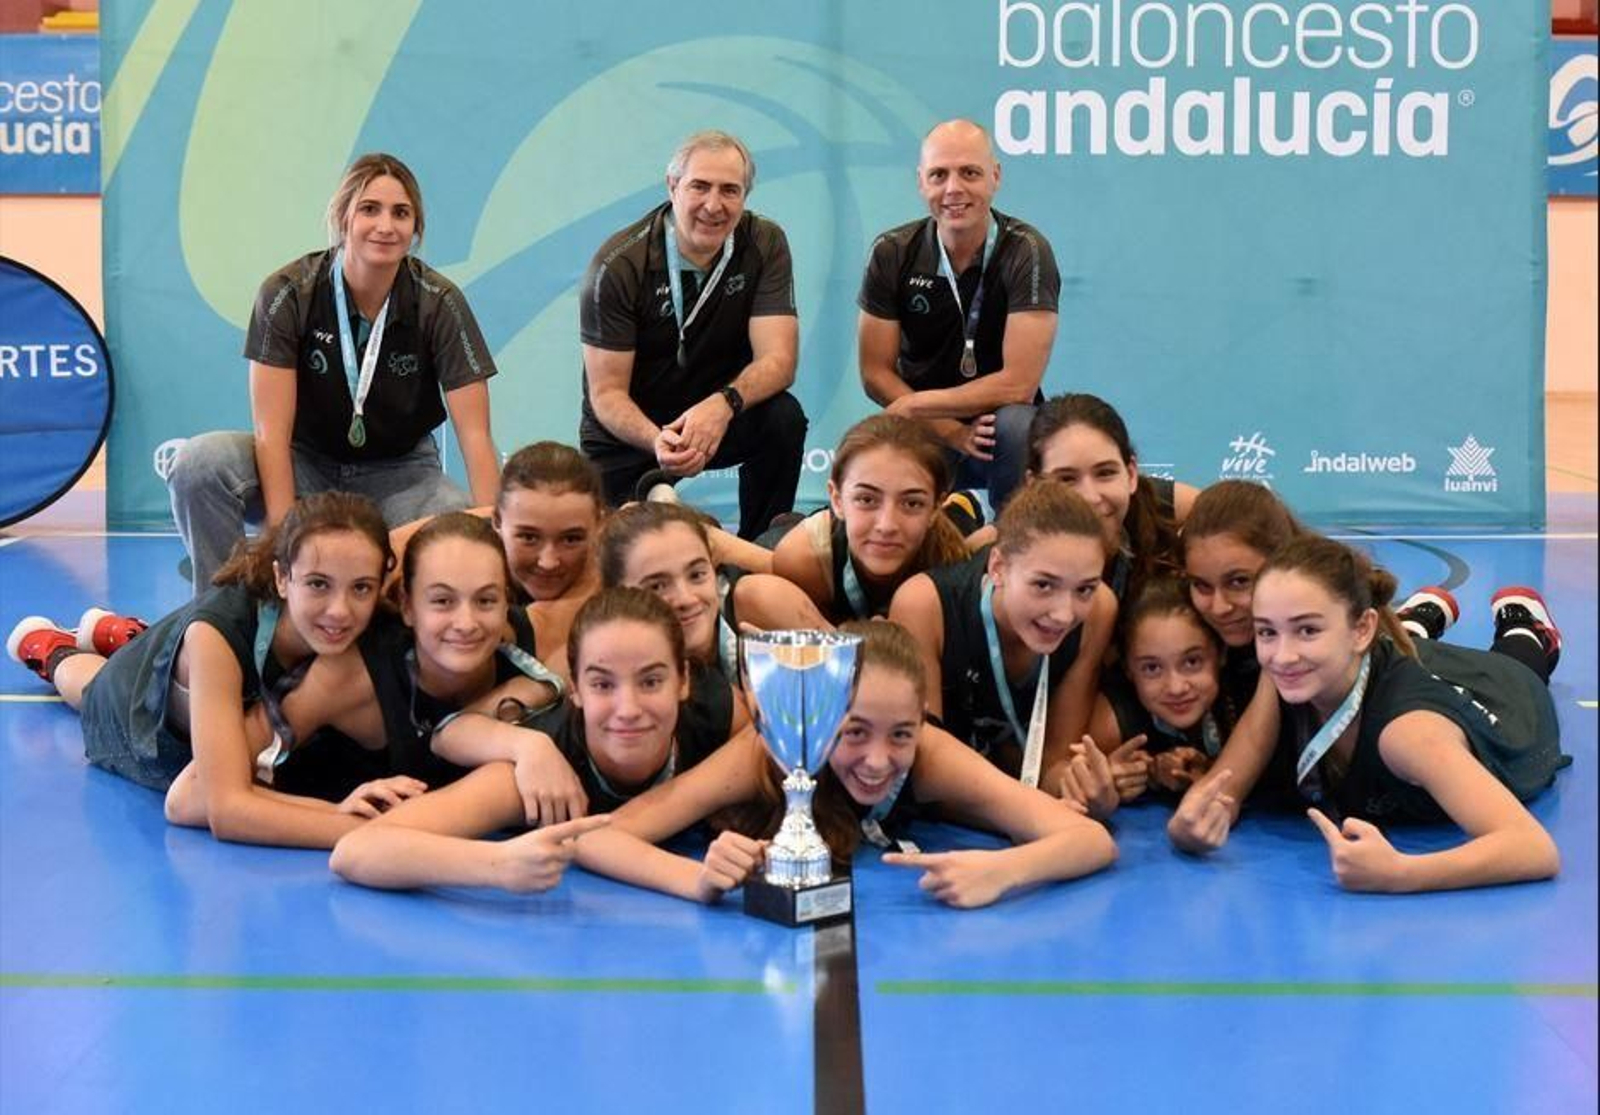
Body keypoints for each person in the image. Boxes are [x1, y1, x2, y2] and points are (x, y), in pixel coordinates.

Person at [572, 620, 1116, 909]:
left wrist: (1001, 872)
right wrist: (698, 879)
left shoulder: (930, 754)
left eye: (900, 733)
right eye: (853, 731)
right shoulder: (773, 750)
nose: (878, 759)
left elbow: (1089, 839)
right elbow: (595, 838)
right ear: (819, 710)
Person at [5, 492, 422, 848]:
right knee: (92, 688)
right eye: (317, 584)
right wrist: (355, 824)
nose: (340, 610)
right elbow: (225, 808)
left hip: (193, 666)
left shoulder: (355, 565)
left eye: (361, 588)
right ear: (281, 578)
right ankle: (53, 649)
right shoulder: (217, 638)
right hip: (145, 717)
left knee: (178, 651)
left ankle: (125, 633)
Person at [167, 153, 500, 593]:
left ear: (415, 229)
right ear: (342, 218)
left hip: (402, 474)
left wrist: (498, 543)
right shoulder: (288, 293)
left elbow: (475, 436)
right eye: (369, 209)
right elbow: (271, 435)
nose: (385, 225)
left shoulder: (440, 302)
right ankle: (221, 617)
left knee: (455, 523)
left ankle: (394, 643)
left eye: (401, 213)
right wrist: (285, 547)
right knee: (199, 464)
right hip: (305, 465)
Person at [328, 588, 740, 892]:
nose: (628, 708)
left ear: (684, 681)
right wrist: (498, 863)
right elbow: (357, 850)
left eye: (651, 681)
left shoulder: (718, 713)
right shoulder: (538, 774)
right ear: (575, 689)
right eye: (602, 684)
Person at [1252, 536, 1568, 892]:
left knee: (1513, 662)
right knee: (1404, 647)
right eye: (1266, 631)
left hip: (1507, 701)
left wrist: (1399, 872)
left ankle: (1525, 626)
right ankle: (1418, 618)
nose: (1282, 656)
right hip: (1398, 663)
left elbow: (1533, 848)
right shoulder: (1296, 675)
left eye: (1307, 630)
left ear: (1362, 629)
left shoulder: (1411, 736)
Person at [579, 130, 805, 540]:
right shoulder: (618, 264)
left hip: (718, 413)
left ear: (745, 196)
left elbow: (779, 361)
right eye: (699, 186)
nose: (713, 205)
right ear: (672, 186)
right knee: (624, 551)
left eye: (730, 190)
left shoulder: (765, 243)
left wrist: (724, 404)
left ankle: (762, 553)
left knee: (782, 418)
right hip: (634, 427)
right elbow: (606, 394)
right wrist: (658, 439)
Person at [858, 119, 1059, 512]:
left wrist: (918, 406)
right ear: (921, 182)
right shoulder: (892, 252)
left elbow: (1019, 384)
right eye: (939, 175)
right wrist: (948, 429)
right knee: (871, 447)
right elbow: (874, 372)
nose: (954, 189)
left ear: (995, 177)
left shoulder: (1027, 251)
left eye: (970, 173)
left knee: (1018, 424)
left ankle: (1013, 546)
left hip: (997, 424)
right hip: (924, 426)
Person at [888, 479, 1119, 815]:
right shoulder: (924, 605)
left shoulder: (1099, 610)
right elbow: (922, 766)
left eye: (1084, 589)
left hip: (1003, 793)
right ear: (998, 567)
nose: (1064, 613)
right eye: (1043, 584)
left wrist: (1085, 789)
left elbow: (1050, 765)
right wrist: (1030, 813)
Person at [598, 501, 821, 700]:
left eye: (696, 575)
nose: (686, 599)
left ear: (713, 568)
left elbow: (849, 679)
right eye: (657, 586)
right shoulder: (603, 661)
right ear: (617, 595)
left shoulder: (762, 601)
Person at [771, 414, 969, 624]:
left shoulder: (958, 564)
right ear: (836, 499)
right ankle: (788, 521)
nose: (887, 525)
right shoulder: (802, 556)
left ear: (936, 508)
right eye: (867, 499)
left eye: (912, 503)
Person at [1022, 393, 1195, 602]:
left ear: (1131, 475)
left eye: (1105, 473)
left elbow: (1231, 514)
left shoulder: (1156, 507)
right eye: (1067, 479)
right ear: (1034, 487)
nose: (1090, 497)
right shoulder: (1013, 559)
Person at [1088, 577, 1236, 803]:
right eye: (1152, 668)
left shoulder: (1251, 699)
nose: (1176, 688)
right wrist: (1104, 780)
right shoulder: (1111, 724)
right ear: (1128, 669)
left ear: (1222, 653)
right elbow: (1057, 774)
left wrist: (1211, 768)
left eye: (1192, 662)